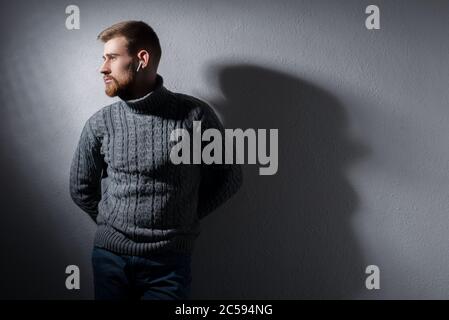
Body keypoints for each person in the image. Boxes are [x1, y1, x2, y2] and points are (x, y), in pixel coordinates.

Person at [69, 20, 243, 300]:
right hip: (109, 260)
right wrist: (112, 225)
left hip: (168, 265)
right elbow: (80, 188)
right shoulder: (100, 123)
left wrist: (183, 219)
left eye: (112, 57)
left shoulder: (195, 115)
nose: (103, 68)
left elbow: (229, 178)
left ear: (142, 59)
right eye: (103, 59)